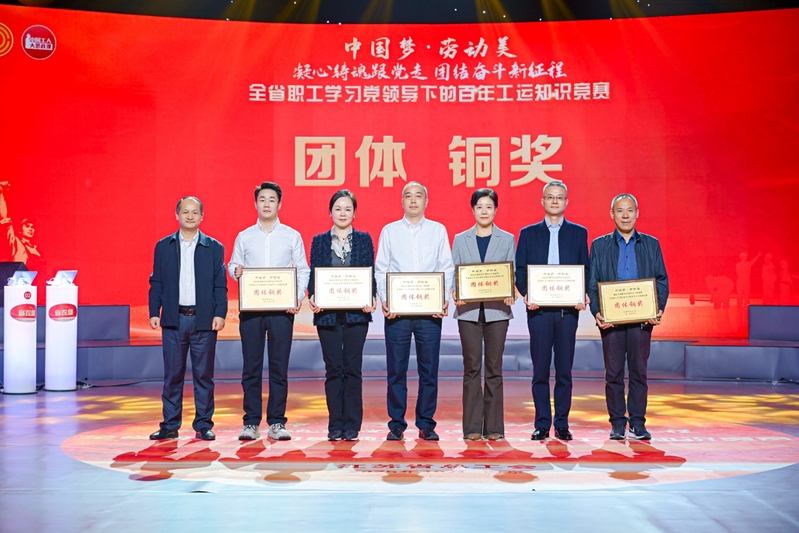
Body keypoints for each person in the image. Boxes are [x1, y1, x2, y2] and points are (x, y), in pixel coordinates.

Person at [228, 182, 310, 441]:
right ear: (255, 204)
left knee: (278, 367)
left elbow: (303, 269)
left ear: (279, 204)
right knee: (251, 367)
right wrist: (235, 271)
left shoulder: (291, 235)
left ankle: (276, 421)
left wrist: (297, 297)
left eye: (271, 199)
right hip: (252, 310)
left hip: (281, 310)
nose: (266, 204)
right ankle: (251, 422)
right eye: (262, 199)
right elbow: (233, 265)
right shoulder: (244, 236)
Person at [375, 181, 454, 441]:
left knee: (428, 371)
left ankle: (426, 423)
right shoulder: (390, 231)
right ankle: (396, 424)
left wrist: (443, 298)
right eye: (408, 196)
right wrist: (385, 298)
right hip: (397, 313)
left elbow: (446, 267)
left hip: (429, 312)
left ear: (426, 201)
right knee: (396, 371)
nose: (413, 200)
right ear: (402, 201)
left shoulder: (437, 230)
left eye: (418, 196)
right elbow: (382, 268)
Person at [588, 193, 669, 441]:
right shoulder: (600, 245)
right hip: (611, 320)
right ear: (612, 214)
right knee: (613, 373)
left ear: (637, 213)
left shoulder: (651, 244)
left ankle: (637, 422)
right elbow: (593, 282)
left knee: (638, 372)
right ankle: (617, 423)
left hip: (641, 319)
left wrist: (657, 308)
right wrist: (597, 311)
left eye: (630, 210)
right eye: (620, 210)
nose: (625, 215)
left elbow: (661, 280)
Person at [148, 196, 227, 441]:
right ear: (177, 215)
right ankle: (170, 425)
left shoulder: (214, 247)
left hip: (203, 320)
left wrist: (220, 314)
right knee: (172, 375)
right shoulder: (164, 246)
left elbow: (220, 285)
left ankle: (203, 424)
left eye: (195, 212)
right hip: (174, 320)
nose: (190, 216)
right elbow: (156, 282)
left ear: (202, 217)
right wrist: (154, 311)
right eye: (185, 212)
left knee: (204, 376)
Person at [515, 180, 589, 441]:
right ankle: (542, 423)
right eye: (550, 197)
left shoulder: (578, 233)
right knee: (540, 371)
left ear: (566, 202)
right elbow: (520, 270)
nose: (555, 201)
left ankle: (562, 423)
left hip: (567, 313)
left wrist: (581, 295)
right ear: (542, 201)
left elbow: (585, 269)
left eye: (559, 197)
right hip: (539, 313)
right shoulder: (528, 233)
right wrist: (528, 294)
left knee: (564, 371)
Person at [308, 190, 377, 442]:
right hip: (327, 315)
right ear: (330, 212)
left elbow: (370, 272)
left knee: (352, 368)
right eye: (338, 208)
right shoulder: (319, 241)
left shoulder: (364, 240)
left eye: (348, 209)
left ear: (354, 213)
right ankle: (335, 424)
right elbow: (314, 274)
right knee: (333, 369)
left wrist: (372, 296)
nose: (343, 213)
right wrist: (312, 295)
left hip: (356, 314)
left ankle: (352, 425)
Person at [451, 188, 516, 441]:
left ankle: (494, 428)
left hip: (497, 311)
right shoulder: (460, 239)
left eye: (489, 206)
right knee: (471, 368)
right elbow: (455, 273)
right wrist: (455, 292)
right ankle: (471, 428)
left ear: (495, 210)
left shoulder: (507, 239)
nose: (484, 211)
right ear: (473, 210)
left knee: (494, 368)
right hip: (468, 312)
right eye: (479, 207)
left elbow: (510, 275)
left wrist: (510, 291)